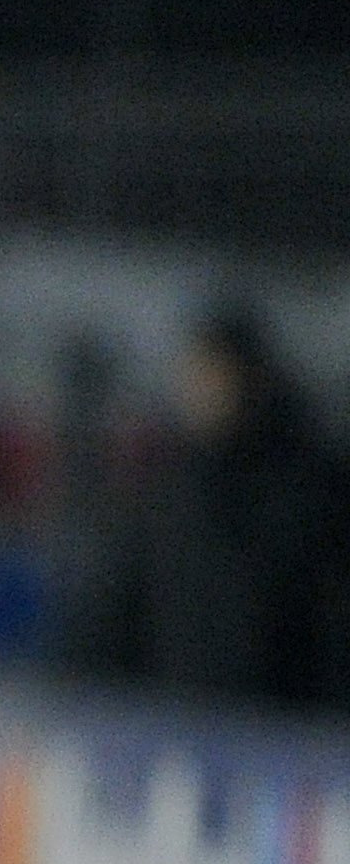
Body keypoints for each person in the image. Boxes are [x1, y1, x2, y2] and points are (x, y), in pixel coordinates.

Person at [66, 301, 350, 715]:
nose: (199, 389)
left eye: (214, 374)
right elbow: (113, 617)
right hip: (183, 729)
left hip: (283, 738)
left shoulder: (312, 492)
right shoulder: (170, 493)